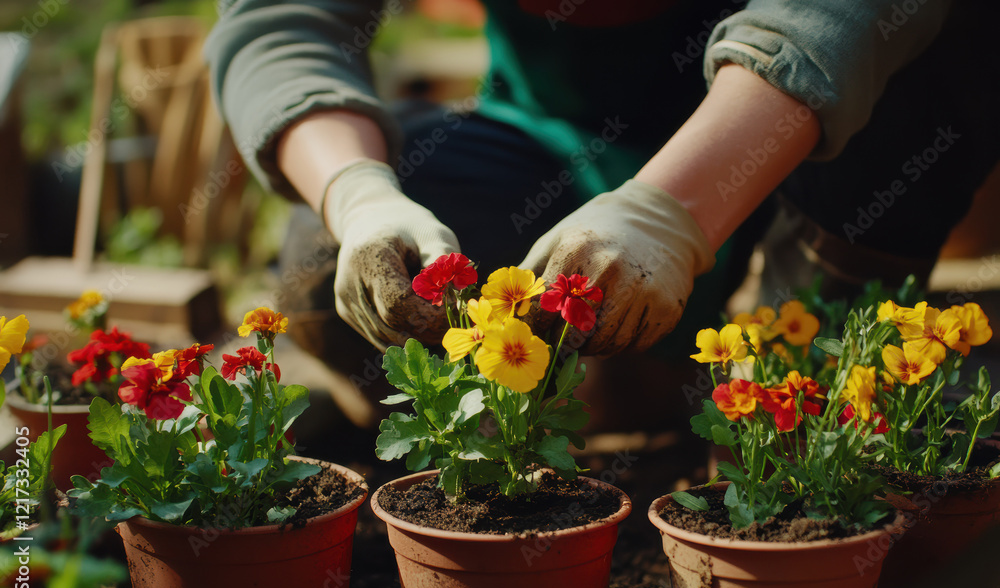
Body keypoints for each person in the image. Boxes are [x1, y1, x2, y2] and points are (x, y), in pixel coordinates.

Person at [204, 0, 999, 366]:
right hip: (554, 136)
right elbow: (283, 18)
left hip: (807, 144)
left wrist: (673, 211)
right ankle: (628, 384)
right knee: (327, 283)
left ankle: (799, 358)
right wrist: (359, 194)